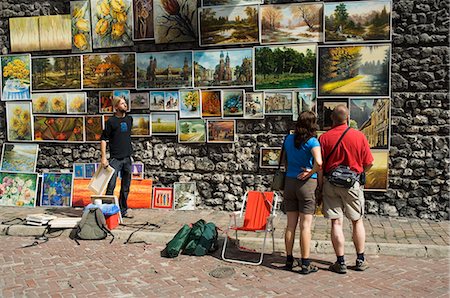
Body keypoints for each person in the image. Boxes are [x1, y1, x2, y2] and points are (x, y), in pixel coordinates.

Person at [317, 105, 373, 274]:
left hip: (331, 184)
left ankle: (340, 261)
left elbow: (320, 166)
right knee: (357, 220)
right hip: (352, 184)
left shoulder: (324, 138)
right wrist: (359, 174)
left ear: (332, 119)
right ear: (348, 118)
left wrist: (320, 188)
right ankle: (360, 259)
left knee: (336, 221)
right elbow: (369, 163)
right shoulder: (359, 136)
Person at [282, 111, 322, 274]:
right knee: (305, 226)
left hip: (289, 182)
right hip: (306, 184)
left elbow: (285, 160)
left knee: (290, 225)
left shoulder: (288, 139)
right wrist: (309, 172)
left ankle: (289, 259)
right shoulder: (313, 142)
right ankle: (305, 263)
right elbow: (319, 163)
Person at [100, 97, 134, 218]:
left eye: (125, 103)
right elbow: (104, 139)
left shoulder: (130, 119)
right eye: (122, 103)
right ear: (116, 107)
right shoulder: (111, 122)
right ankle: (107, 211)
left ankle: (123, 210)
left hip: (127, 158)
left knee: (126, 186)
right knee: (111, 185)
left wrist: (130, 155)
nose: (125, 105)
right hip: (115, 159)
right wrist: (104, 157)